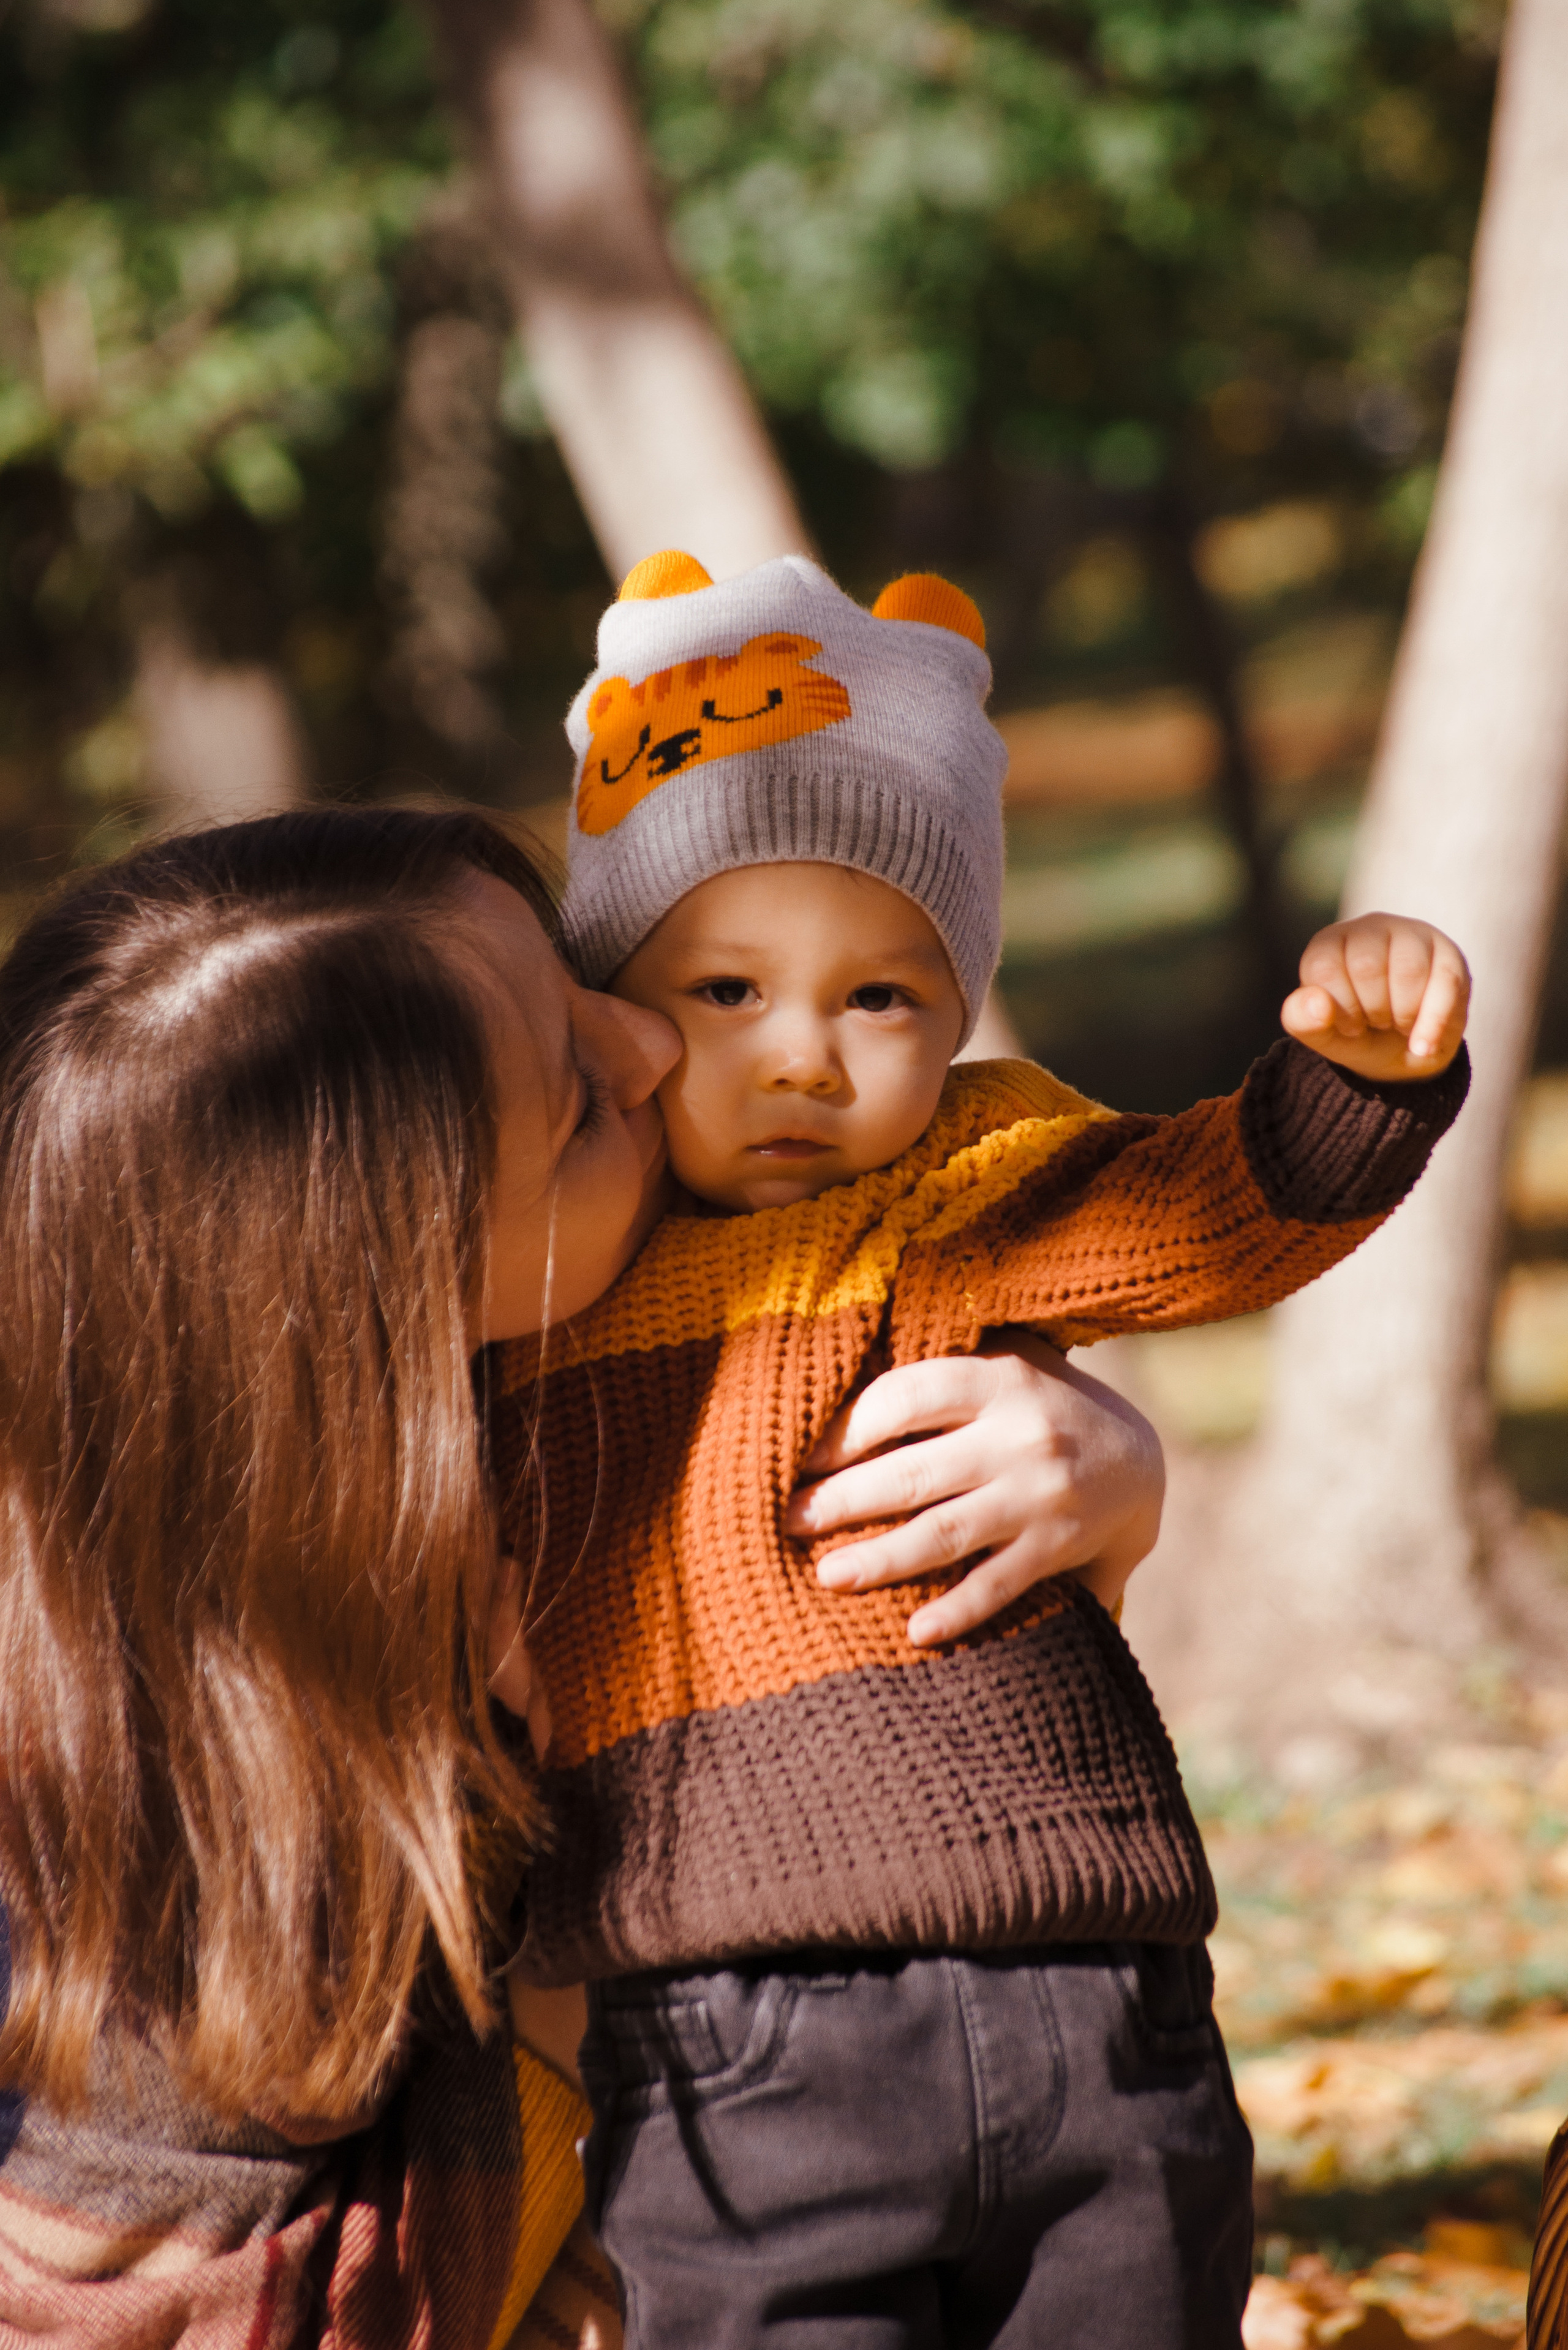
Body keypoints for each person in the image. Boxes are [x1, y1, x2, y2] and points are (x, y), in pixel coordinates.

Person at [0, 804, 1163, 2348]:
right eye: (574, 1103)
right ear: (396, 1302)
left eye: (574, 975)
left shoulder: (609, 1370)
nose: (653, 1045)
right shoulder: (157, 1750)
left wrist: (1109, 1489)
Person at [490, 551, 1472, 2349]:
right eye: (726, 989)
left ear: (955, 1020)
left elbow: (1212, 1213)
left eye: (884, 996)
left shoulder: (964, 1193)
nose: (804, 1052)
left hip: (1100, 1996)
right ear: (613, 1005)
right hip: (730, 2042)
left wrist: (1357, 1079)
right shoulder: (539, 1287)